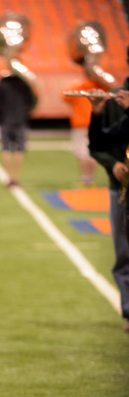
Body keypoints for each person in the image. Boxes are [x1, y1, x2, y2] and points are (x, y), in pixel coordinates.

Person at [87, 62, 129, 331]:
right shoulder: (119, 98)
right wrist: (96, 115)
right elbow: (99, 143)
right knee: (123, 252)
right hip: (122, 188)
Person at [62, 76, 104, 187]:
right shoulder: (99, 85)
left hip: (80, 124)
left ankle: (85, 179)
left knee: (83, 153)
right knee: (92, 152)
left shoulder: (78, 86)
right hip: (94, 122)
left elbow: (64, 96)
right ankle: (91, 179)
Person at [0, 72, 34, 187]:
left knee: (6, 148)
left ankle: (9, 178)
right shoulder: (24, 81)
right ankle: (16, 177)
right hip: (20, 119)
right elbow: (31, 100)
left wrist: (0, 117)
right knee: (20, 148)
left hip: (6, 119)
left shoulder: (3, 82)